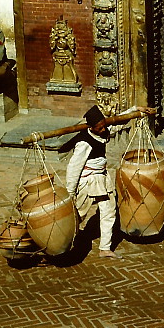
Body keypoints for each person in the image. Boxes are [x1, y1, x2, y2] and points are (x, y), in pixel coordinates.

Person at [65, 104, 145, 259]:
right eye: (99, 128)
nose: (103, 130)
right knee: (77, 215)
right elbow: (73, 169)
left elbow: (118, 122)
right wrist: (70, 192)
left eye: (104, 126)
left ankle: (105, 248)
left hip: (101, 177)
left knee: (108, 211)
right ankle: (62, 240)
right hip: (87, 181)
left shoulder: (104, 130)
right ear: (91, 127)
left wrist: (135, 110)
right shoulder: (83, 143)